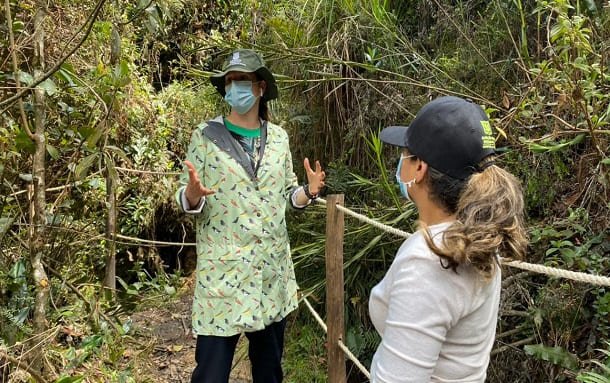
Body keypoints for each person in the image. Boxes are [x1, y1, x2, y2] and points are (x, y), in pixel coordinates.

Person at [175, 48, 325, 383]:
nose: (234, 89)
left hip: (269, 275)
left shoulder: (278, 139)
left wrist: (309, 191)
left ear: (260, 88)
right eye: (229, 82)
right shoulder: (206, 136)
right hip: (223, 278)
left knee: (269, 373)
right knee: (210, 375)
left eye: (242, 80)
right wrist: (192, 195)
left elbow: (288, 197)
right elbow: (184, 194)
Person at [369, 96, 528, 382]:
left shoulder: (430, 259)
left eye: (405, 153)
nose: (399, 162)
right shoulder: (476, 238)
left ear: (419, 169)